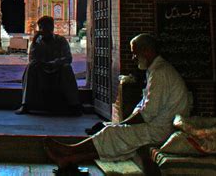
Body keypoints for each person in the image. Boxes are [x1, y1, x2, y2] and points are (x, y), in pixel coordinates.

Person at [45, 33, 192, 170]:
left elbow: (148, 112)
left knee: (111, 132)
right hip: (158, 125)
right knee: (116, 136)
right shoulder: (156, 70)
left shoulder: (160, 73)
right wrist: (123, 124)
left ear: (146, 51)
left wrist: (122, 125)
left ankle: (69, 150)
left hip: (161, 130)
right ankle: (71, 159)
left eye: (135, 53)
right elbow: (145, 106)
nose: (133, 57)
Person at [15, 15, 82, 116]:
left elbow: (68, 58)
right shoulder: (37, 42)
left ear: (51, 28)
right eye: (42, 27)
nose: (44, 30)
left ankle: (74, 105)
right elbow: (32, 59)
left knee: (67, 68)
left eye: (46, 27)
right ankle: (26, 104)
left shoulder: (61, 40)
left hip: (58, 69)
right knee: (31, 66)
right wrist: (34, 42)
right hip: (42, 70)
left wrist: (55, 63)